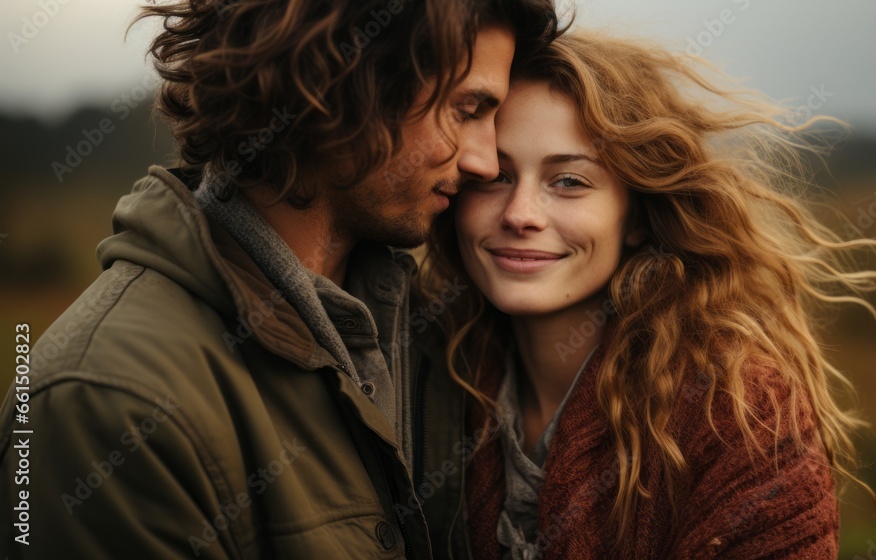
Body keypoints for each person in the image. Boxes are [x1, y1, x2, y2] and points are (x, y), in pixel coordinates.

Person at [0, 1, 560, 558]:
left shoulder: (441, 328)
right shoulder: (106, 403)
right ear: (339, 82)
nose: (486, 161)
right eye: (467, 109)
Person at [416, 32, 876, 559]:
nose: (520, 213)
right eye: (496, 177)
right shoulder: (427, 370)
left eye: (570, 181)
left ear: (637, 218)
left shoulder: (736, 409)